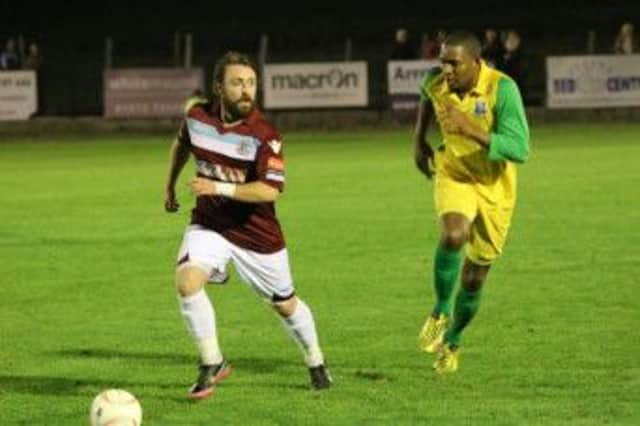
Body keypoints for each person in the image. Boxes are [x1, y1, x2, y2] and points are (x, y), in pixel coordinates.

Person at [164, 51, 331, 399]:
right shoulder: (197, 117)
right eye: (237, 83)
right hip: (210, 225)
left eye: (251, 83)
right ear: (218, 88)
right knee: (187, 282)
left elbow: (269, 190)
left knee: (285, 304)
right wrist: (169, 185)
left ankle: (316, 361)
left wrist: (218, 186)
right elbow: (181, 144)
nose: (246, 91)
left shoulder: (264, 134)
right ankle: (212, 363)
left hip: (257, 235)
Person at [413, 31, 529, 374]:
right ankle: (439, 311)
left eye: (454, 63)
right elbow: (425, 97)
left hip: (495, 188)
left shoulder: (502, 89)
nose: (446, 69)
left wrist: (471, 129)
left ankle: (453, 341)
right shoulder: (435, 82)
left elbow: (520, 148)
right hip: (455, 174)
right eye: (443, 62)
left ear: (475, 62)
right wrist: (418, 140)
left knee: (475, 277)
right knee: (452, 234)